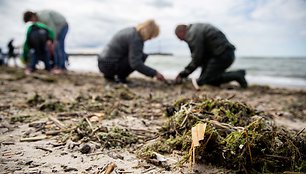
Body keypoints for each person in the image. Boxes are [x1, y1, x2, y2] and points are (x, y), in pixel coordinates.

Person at [174, 23, 248, 88]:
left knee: (205, 81)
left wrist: (182, 74)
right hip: (224, 54)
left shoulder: (192, 33)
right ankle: (229, 77)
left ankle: (238, 75)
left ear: (181, 31)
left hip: (222, 55)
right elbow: (202, 57)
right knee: (202, 80)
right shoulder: (197, 28)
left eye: (179, 37)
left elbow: (197, 58)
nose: (180, 40)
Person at [98, 19, 165, 84]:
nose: (150, 39)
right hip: (109, 65)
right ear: (148, 32)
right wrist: (154, 73)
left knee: (133, 55)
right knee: (142, 56)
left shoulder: (130, 31)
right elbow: (136, 64)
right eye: (151, 36)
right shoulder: (136, 39)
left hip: (102, 63)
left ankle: (109, 76)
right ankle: (121, 78)